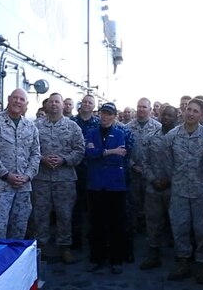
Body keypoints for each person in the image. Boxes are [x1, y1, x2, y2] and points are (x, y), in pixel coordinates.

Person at [163, 98, 203, 283]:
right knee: (180, 227)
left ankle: (202, 265)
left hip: (201, 192)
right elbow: (168, 164)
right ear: (183, 111)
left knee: (202, 230)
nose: (191, 113)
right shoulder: (172, 136)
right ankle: (183, 263)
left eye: (195, 111)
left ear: (202, 114)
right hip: (179, 191)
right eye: (188, 110)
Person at [32, 93, 85, 264]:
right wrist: (41, 158)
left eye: (58, 102)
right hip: (41, 178)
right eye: (51, 102)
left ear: (63, 106)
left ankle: (65, 247)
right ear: (46, 105)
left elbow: (80, 150)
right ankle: (41, 247)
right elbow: (29, 148)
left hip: (65, 179)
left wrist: (64, 159)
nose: (54, 105)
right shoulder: (35, 126)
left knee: (65, 214)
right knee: (40, 214)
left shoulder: (73, 127)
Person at [0, 89, 41, 239]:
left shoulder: (31, 127)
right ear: (8, 99)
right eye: (15, 98)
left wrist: (27, 176)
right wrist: (6, 175)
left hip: (23, 187)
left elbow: (35, 154)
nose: (18, 101)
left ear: (26, 104)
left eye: (22, 99)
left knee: (19, 231)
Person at [84, 102, 132, 275]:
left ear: (114, 116)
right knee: (97, 224)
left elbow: (119, 159)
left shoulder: (120, 133)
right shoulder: (91, 133)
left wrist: (100, 153)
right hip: (96, 185)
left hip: (115, 186)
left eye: (109, 114)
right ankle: (97, 258)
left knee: (116, 224)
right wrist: (109, 152)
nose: (105, 116)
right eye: (103, 113)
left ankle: (116, 260)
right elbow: (89, 155)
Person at [141, 104, 178, 270]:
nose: (166, 117)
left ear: (176, 117)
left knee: (178, 223)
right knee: (153, 222)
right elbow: (145, 162)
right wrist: (153, 180)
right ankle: (154, 253)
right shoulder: (150, 137)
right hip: (154, 188)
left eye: (170, 115)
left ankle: (181, 257)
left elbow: (183, 164)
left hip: (175, 189)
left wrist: (169, 180)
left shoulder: (180, 136)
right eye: (164, 114)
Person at [124, 97, 162, 264]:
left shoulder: (158, 128)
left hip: (151, 176)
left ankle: (152, 240)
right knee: (132, 206)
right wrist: (133, 165)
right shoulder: (126, 128)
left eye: (144, 107)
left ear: (150, 110)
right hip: (132, 173)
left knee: (152, 209)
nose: (141, 110)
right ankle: (131, 235)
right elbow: (124, 150)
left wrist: (148, 171)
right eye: (138, 107)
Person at [70, 94, 101, 249]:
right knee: (75, 207)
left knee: (93, 207)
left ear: (93, 106)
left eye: (90, 103)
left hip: (94, 171)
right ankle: (75, 239)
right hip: (74, 171)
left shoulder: (98, 124)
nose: (87, 104)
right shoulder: (71, 122)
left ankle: (93, 239)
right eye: (85, 102)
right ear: (81, 104)